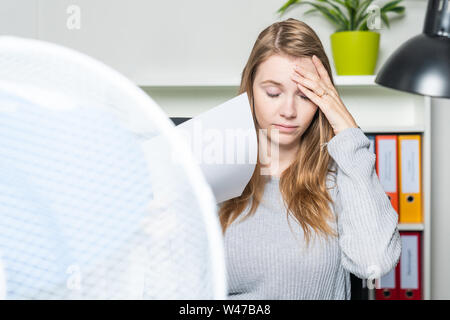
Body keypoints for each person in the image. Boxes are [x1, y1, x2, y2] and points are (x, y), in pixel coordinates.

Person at [218, 18, 401, 300]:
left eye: (305, 96)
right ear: (250, 91)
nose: (288, 111)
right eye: (273, 93)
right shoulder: (214, 172)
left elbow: (374, 262)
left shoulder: (342, 178)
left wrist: (345, 125)